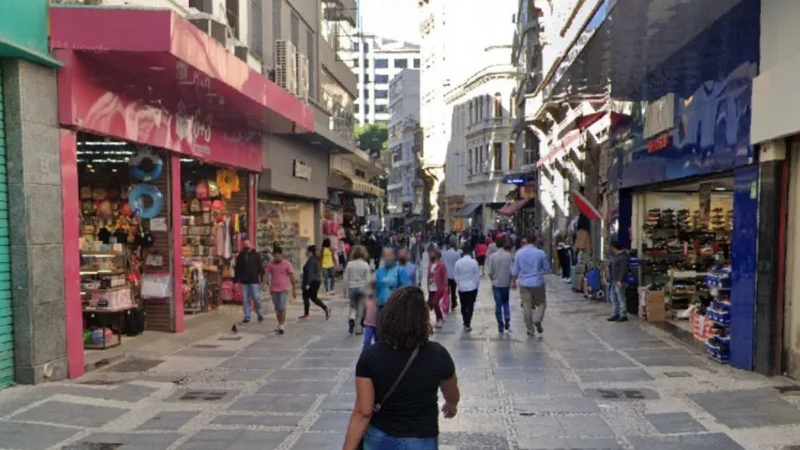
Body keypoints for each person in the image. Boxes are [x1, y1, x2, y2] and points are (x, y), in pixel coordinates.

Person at [343, 286, 460, 450]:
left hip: (380, 437)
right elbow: (452, 393)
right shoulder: (438, 354)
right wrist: (451, 405)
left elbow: (363, 411)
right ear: (423, 318)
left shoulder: (371, 356)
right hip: (421, 439)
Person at [511, 233, 550, 335]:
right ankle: (537, 319)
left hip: (524, 282)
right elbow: (547, 268)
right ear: (535, 241)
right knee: (541, 303)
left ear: (526, 240)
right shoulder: (540, 253)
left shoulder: (519, 253)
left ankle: (530, 329)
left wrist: (514, 281)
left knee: (526, 306)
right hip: (538, 282)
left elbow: (515, 270)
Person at [374, 247, 410, 340]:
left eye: (389, 255)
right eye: (385, 255)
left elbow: (404, 290)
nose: (387, 258)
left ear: (394, 256)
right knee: (379, 333)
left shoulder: (400, 271)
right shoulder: (380, 272)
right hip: (381, 306)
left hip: (395, 307)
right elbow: (377, 288)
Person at [264, 246, 297, 335]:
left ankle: (282, 325)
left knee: (282, 307)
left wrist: (294, 289)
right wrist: (264, 284)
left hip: (283, 289)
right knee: (277, 308)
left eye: (277, 256)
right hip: (274, 289)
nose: (275, 258)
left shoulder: (287, 264)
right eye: (274, 256)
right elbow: (266, 274)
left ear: (281, 255)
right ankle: (279, 324)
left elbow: (292, 277)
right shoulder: (271, 264)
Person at [234, 237, 265, 324]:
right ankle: (247, 317)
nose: (246, 244)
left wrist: (262, 280)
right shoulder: (241, 255)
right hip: (244, 281)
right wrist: (236, 279)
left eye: (247, 243)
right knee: (245, 300)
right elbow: (238, 268)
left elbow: (261, 267)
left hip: (254, 280)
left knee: (256, 298)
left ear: (250, 243)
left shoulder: (256, 255)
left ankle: (259, 313)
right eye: (245, 243)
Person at [486, 238, 513, 334]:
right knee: (506, 301)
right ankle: (507, 317)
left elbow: (489, 272)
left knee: (498, 304)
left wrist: (493, 279)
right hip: (505, 283)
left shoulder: (492, 257)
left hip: (496, 283)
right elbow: (511, 271)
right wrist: (510, 281)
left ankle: (500, 324)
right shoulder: (508, 256)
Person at [344, 245, 371, 334]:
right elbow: (368, 280)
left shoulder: (349, 264)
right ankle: (359, 328)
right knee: (360, 308)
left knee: (352, 306)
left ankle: (351, 318)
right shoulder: (365, 264)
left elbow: (345, 278)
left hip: (352, 287)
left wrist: (345, 290)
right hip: (362, 287)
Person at [300, 245, 331, 320]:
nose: (305, 252)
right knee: (313, 298)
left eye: (306, 251)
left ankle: (307, 314)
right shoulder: (315, 259)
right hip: (316, 281)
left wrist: (308, 284)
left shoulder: (311, 260)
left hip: (312, 281)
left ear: (310, 252)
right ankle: (325, 308)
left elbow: (310, 273)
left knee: (306, 296)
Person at [454, 245, 480, 331]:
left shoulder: (458, 262)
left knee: (463, 305)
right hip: (472, 287)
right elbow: (477, 276)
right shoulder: (474, 262)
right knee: (470, 305)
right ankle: (468, 322)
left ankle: (465, 320)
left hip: (462, 287)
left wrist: (459, 284)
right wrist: (476, 286)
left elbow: (456, 276)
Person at [608, 240, 630, 322]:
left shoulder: (623, 257)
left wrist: (620, 280)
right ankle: (616, 313)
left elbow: (624, 269)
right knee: (613, 297)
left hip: (619, 280)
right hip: (614, 280)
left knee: (621, 298)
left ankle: (623, 314)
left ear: (614, 247)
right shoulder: (616, 256)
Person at [427, 247, 449, 328]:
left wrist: (445, 287)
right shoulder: (430, 265)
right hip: (431, 287)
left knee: (435, 303)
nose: (431, 255)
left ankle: (440, 319)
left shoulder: (441, 265)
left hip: (439, 287)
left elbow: (445, 276)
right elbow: (429, 275)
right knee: (431, 304)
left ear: (437, 255)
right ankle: (438, 319)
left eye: (432, 253)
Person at [443, 237, 461, 311]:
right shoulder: (457, 254)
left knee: (446, 291)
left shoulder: (445, 254)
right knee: (453, 290)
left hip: (446, 275)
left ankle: (446, 303)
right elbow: (459, 264)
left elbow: (442, 263)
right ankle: (453, 302)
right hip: (454, 275)